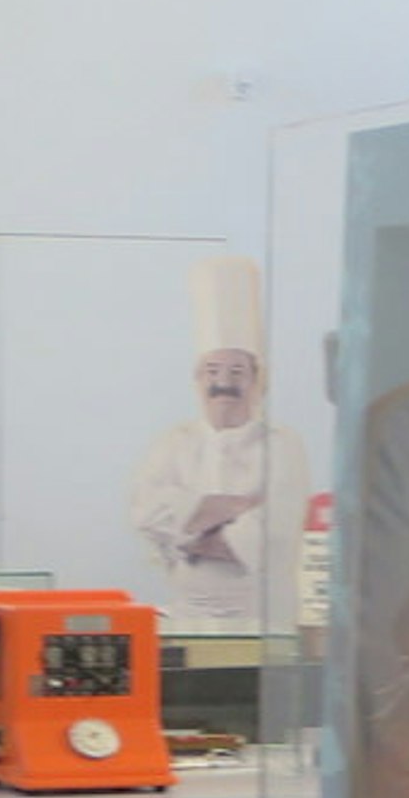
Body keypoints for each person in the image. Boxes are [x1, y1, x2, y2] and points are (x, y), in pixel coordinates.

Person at [126, 255, 309, 624]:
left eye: (237, 371)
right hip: (187, 617)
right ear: (198, 380)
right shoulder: (173, 444)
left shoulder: (282, 447)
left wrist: (188, 532)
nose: (223, 383)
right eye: (212, 371)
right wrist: (234, 506)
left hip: (262, 624)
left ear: (258, 382)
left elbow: (274, 536)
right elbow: (146, 513)